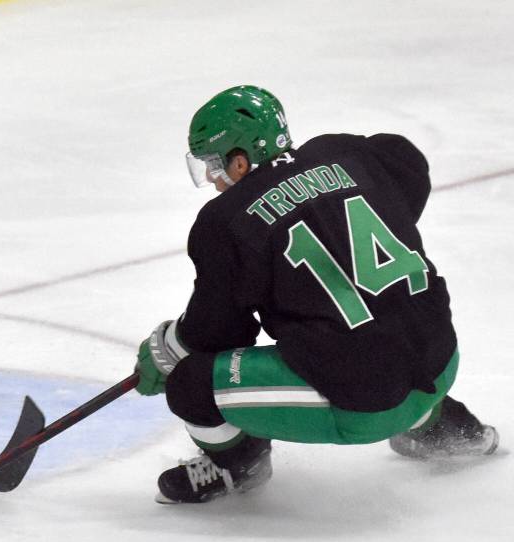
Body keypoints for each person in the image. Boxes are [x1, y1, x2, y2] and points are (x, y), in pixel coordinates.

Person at [135, 85, 499, 504]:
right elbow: (408, 164)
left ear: (241, 160)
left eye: (215, 166)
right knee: (384, 336)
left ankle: (238, 463)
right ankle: (443, 424)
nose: (214, 181)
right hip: (441, 358)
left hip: (369, 402)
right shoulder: (348, 152)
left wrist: (169, 347)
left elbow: (217, 332)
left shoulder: (226, 221)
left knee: (190, 384)